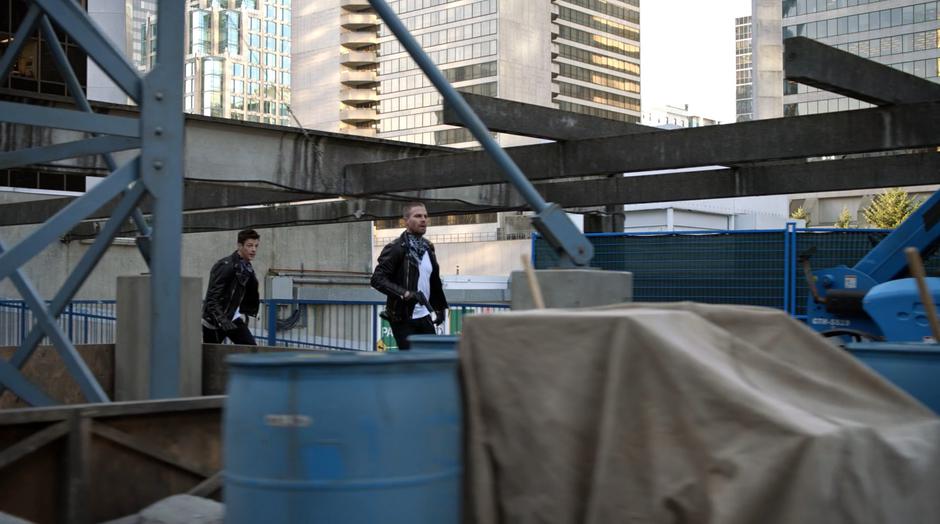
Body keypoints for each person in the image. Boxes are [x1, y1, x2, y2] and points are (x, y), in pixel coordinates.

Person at [371, 202, 448, 350]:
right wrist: (405, 293)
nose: (423, 219)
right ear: (405, 221)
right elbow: (377, 279)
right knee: (412, 362)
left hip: (425, 314)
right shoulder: (396, 248)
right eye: (418, 216)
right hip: (402, 317)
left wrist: (439, 308)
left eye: (425, 216)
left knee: (431, 359)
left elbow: (433, 281)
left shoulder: (428, 247)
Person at [202, 229, 260, 345]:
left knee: (250, 348)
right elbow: (212, 299)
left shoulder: (247, 267)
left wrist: (247, 310)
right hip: (214, 321)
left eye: (256, 246)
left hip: (232, 317)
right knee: (212, 358)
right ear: (240, 246)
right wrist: (222, 320)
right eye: (249, 245)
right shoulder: (225, 266)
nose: (253, 250)